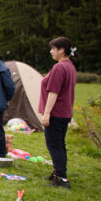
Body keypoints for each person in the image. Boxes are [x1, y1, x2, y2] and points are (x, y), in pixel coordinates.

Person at [39, 37, 77, 189]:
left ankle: (62, 178)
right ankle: (58, 172)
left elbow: (53, 92)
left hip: (56, 113)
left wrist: (47, 113)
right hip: (64, 113)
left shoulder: (59, 68)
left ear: (61, 50)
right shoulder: (70, 66)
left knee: (55, 145)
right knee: (59, 144)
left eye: (53, 49)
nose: (51, 51)